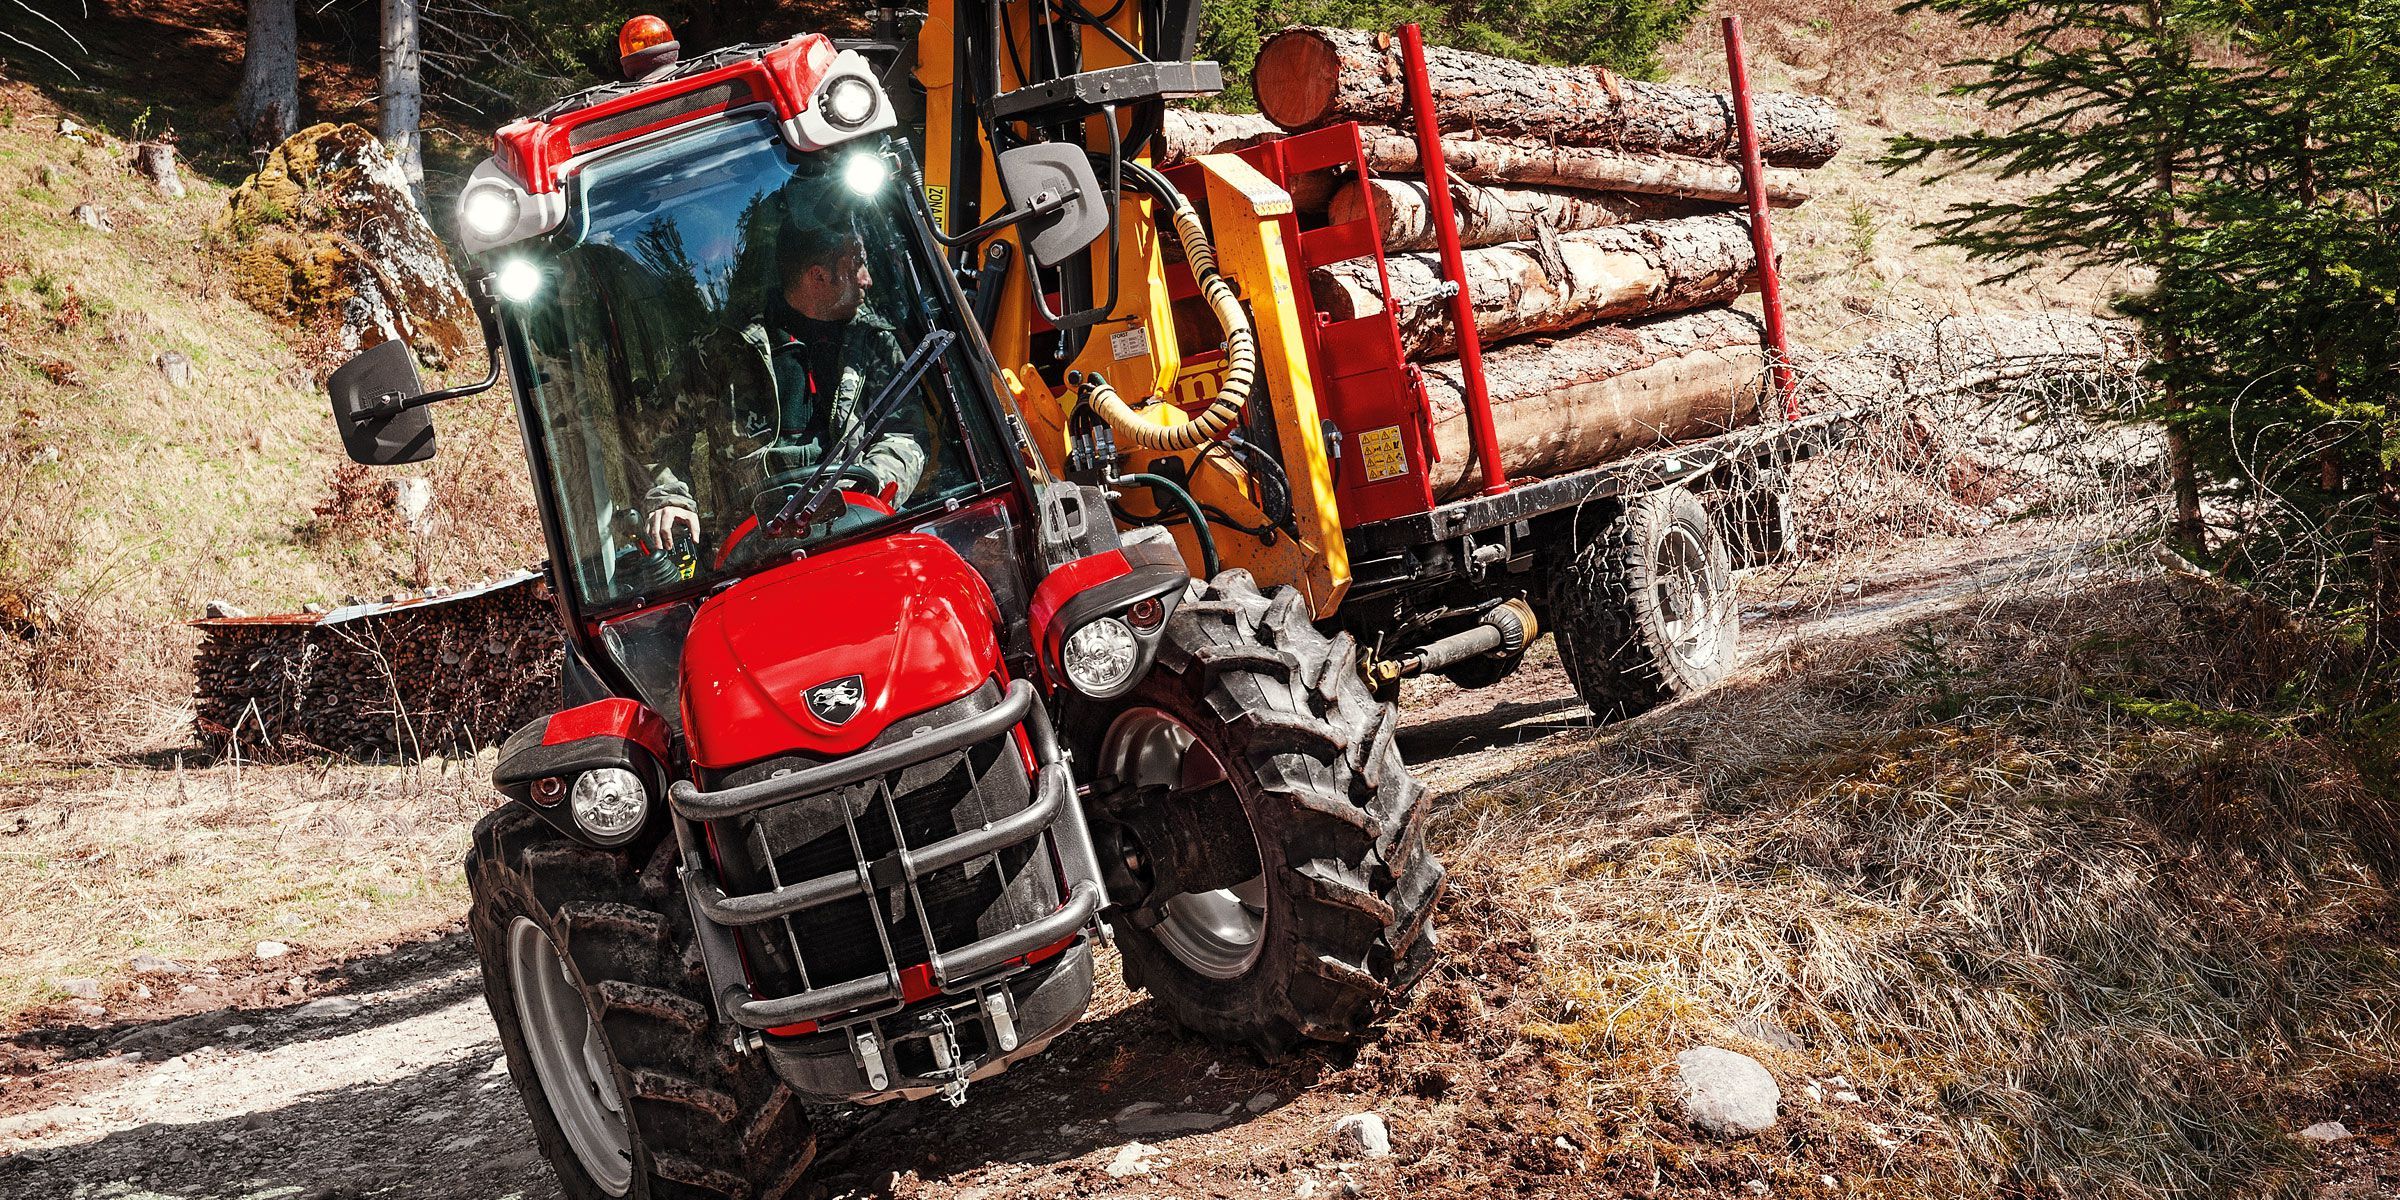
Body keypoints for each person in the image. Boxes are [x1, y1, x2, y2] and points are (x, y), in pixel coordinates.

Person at [639, 207, 928, 552]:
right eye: (857, 265)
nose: (867, 279)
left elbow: (905, 434)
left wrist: (871, 486)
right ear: (818, 276)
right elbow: (649, 437)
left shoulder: (875, 343)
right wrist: (670, 498)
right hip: (748, 558)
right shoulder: (721, 352)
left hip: (863, 536)